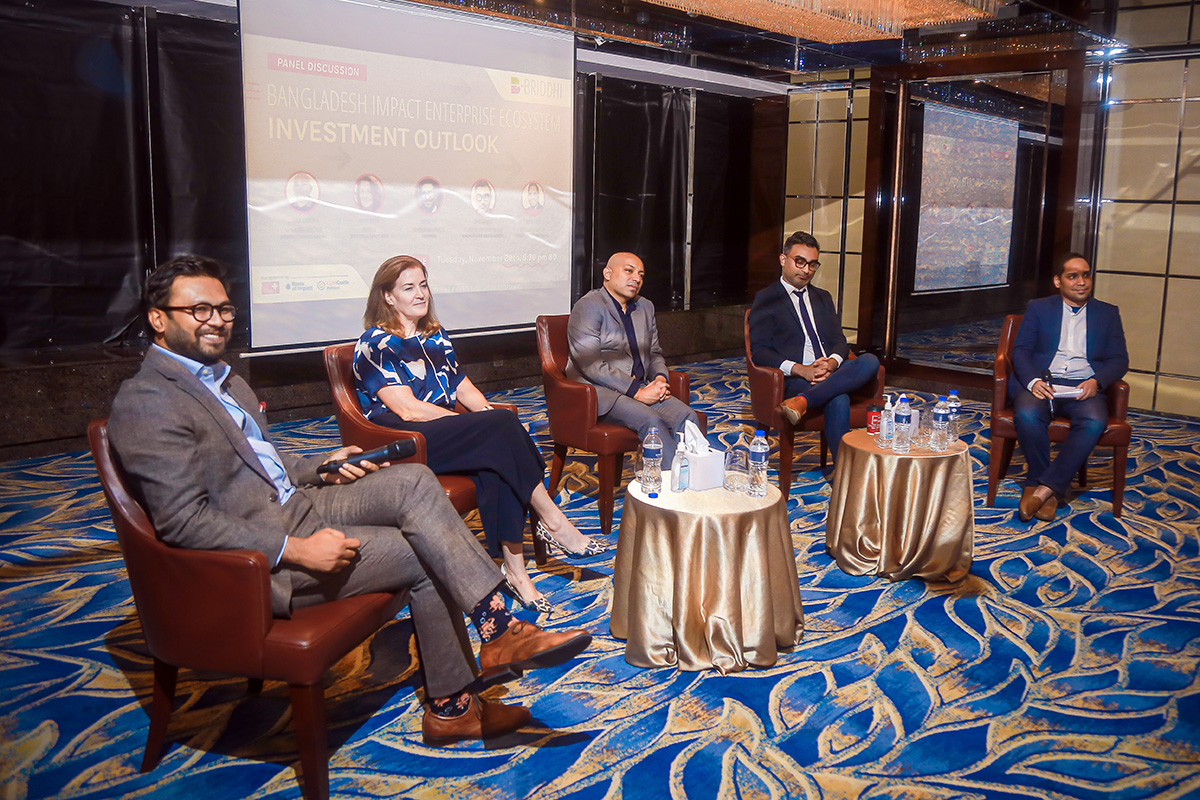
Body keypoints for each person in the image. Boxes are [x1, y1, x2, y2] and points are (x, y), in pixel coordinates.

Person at [107, 255, 592, 746]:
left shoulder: (225, 380)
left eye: (224, 309)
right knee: (427, 552)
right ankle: (455, 705)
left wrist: (318, 464)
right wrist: (292, 549)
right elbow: (183, 522)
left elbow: (257, 461)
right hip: (255, 555)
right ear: (158, 318)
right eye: (199, 310)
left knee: (414, 481)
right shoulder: (148, 400)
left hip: (296, 502)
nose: (215, 320)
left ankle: (498, 631)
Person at [353, 256, 605, 613]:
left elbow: (462, 386)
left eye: (423, 284)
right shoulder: (375, 343)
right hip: (406, 438)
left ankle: (516, 572)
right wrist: (472, 425)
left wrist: (483, 415)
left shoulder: (433, 335)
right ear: (388, 297)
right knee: (497, 429)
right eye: (408, 288)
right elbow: (407, 409)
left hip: (443, 431)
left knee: (497, 453)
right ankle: (552, 518)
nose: (420, 294)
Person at [1009, 252, 1128, 523]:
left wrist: (1096, 382)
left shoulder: (1108, 313)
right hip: (1044, 382)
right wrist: (1033, 381)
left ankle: (1043, 489)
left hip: (1083, 386)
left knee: (1094, 421)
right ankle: (1046, 486)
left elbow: (1119, 359)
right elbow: (1021, 351)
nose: (1081, 282)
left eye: (1086, 275)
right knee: (1026, 415)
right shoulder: (1039, 308)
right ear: (1058, 281)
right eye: (1072, 276)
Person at [748, 231, 880, 464]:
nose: (806, 270)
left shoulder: (822, 297)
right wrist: (802, 369)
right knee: (838, 399)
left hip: (830, 370)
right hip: (795, 377)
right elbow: (760, 352)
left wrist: (831, 363)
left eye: (812, 264)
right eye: (800, 262)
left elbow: (840, 341)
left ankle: (803, 402)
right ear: (783, 259)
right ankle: (844, 472)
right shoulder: (766, 298)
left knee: (870, 360)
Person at [565, 252, 700, 469]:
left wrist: (659, 379)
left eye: (641, 274)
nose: (636, 278)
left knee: (687, 415)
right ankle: (669, 489)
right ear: (607, 273)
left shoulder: (644, 307)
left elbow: (654, 352)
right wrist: (636, 391)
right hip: (600, 391)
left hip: (642, 386)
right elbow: (590, 364)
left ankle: (693, 480)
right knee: (651, 421)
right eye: (628, 271)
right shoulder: (589, 306)